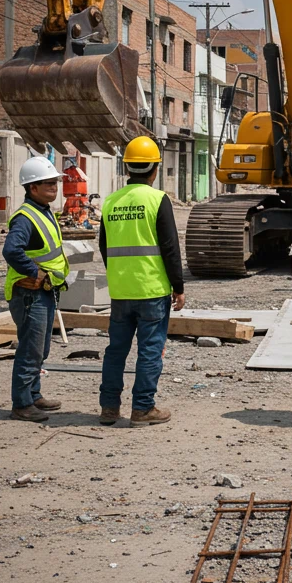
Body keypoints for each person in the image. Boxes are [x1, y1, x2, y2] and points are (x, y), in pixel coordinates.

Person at [98, 136, 185, 427]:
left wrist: (119, 274)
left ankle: (109, 408)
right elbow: (170, 248)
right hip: (152, 290)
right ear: (154, 170)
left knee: (116, 351)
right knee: (150, 351)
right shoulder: (157, 200)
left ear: (127, 168)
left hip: (121, 291)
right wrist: (179, 287)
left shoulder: (110, 202)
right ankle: (142, 408)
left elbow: (104, 246)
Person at [2, 156, 69, 423]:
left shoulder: (44, 210)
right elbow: (11, 250)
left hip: (43, 291)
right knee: (30, 349)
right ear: (32, 188)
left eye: (55, 182)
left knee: (41, 348)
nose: (54, 186)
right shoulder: (25, 218)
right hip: (29, 293)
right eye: (48, 183)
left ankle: (33, 394)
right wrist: (35, 272)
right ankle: (22, 403)